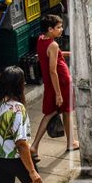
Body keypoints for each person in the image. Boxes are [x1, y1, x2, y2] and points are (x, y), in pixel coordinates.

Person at [31, 14, 79, 160]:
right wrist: (58, 93)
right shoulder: (53, 44)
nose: (61, 30)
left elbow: (52, 56)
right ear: (50, 29)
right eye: (58, 28)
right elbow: (53, 70)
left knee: (62, 112)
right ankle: (34, 146)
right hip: (60, 84)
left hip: (52, 84)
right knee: (53, 113)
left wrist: (69, 54)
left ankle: (70, 142)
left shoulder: (41, 40)